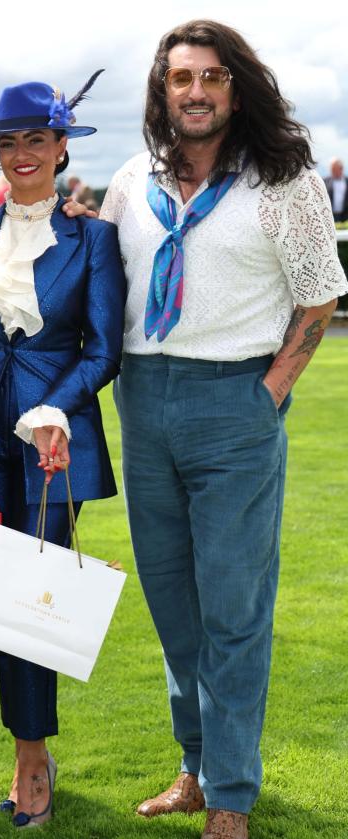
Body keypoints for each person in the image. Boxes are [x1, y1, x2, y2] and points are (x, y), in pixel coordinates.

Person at [98, 20, 348, 839]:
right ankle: (195, 767)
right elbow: (99, 278)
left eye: (211, 77)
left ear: (236, 87)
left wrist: (270, 391)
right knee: (174, 604)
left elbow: (319, 296)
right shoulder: (133, 180)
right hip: (145, 397)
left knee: (234, 606)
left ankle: (233, 793)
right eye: (181, 78)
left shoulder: (285, 179)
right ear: (162, 90)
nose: (196, 92)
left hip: (235, 401)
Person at [0, 78, 126, 829]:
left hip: (50, 440)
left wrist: (55, 407)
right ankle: (29, 747)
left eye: (36, 140)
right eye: (9, 143)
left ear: (62, 145)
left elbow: (103, 348)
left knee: (29, 601)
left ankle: (30, 758)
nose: (22, 155)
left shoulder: (92, 238)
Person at [324, 157, 348, 222]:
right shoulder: (325, 181)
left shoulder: (347, 181)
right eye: (331, 169)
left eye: (334, 169)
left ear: (341, 169)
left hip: (345, 216)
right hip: (330, 216)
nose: (332, 171)